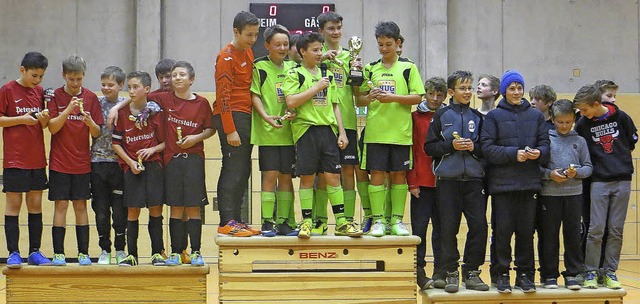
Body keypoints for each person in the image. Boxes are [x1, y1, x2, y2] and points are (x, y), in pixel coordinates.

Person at [282, 31, 362, 238]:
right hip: (306, 130)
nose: (319, 54)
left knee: (333, 176)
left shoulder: (326, 75)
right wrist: (316, 88)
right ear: (302, 52)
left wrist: (342, 132)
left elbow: (335, 105)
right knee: (307, 177)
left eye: (320, 49)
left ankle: (342, 222)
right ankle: (307, 222)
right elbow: (291, 101)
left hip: (328, 130)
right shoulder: (295, 74)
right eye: (315, 50)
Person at [480, 70, 549, 293]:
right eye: (512, 88)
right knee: (502, 231)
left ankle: (525, 275)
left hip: (529, 184)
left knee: (526, 232)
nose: (517, 92)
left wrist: (538, 153)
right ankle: (500, 274)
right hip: (502, 185)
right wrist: (513, 153)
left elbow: (546, 145)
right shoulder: (493, 117)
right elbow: (487, 149)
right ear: (504, 91)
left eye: (520, 87)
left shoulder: (536, 116)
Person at [358, 21, 425, 237]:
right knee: (376, 174)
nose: (384, 48)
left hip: (400, 134)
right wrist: (370, 97)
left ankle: (396, 220)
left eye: (388, 44)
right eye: (380, 45)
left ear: (397, 43)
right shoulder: (369, 69)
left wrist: (392, 98)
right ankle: (378, 220)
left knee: (398, 175)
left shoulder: (408, 68)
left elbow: (417, 97)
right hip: (376, 133)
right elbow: (359, 100)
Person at [424, 71, 488, 293]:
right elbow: (429, 148)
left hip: (474, 181)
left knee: (479, 226)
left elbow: (486, 149)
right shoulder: (441, 116)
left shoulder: (479, 118)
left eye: (470, 88)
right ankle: (450, 271)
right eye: (463, 88)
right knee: (447, 228)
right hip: (448, 182)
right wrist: (451, 146)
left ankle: (472, 272)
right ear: (451, 92)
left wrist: (474, 148)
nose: (467, 92)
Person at [573, 84, 637, 289]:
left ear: (596, 104)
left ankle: (609, 271)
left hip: (622, 180)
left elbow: (631, 141)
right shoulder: (583, 124)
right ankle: (591, 271)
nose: (582, 114)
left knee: (616, 230)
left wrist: (617, 162)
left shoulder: (622, 118)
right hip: (598, 181)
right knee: (596, 229)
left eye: (584, 109)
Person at [48, 55, 104, 266]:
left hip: (82, 163)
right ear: (64, 75)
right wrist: (68, 110)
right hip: (59, 163)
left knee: (80, 206)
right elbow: (52, 127)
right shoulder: (54, 96)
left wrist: (90, 123)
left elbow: (97, 132)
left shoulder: (90, 98)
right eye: (71, 79)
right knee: (60, 205)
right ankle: (59, 253)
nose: (75, 83)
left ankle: (83, 253)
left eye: (79, 79)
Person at [157, 61, 215, 265]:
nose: (177, 78)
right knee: (175, 207)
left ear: (191, 80)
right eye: (174, 75)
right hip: (172, 161)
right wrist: (117, 107)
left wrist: (195, 138)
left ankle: (196, 251)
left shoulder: (201, 104)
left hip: (193, 160)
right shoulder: (163, 99)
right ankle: (175, 252)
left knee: (193, 208)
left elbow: (210, 129)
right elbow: (137, 96)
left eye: (182, 75)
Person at [311, 11, 362, 235]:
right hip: (322, 122)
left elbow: (357, 92)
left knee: (348, 171)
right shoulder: (313, 55)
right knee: (322, 174)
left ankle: (347, 221)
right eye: (331, 28)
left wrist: (358, 71)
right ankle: (319, 221)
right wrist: (322, 57)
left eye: (338, 28)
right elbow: (297, 67)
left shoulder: (350, 55)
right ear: (321, 31)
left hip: (347, 121)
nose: (336, 32)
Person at [0, 51, 52, 268]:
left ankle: (35, 251)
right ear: (22, 70)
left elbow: (44, 124)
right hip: (15, 160)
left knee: (35, 205)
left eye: (41, 76)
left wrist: (44, 119)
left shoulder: (40, 92)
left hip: (37, 159)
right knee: (13, 205)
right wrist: (21, 119)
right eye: (34, 75)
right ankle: (13, 253)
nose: (38, 80)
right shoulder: (7, 90)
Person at [214, 11, 261, 236]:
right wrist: (230, 129)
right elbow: (223, 96)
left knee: (243, 169)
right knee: (232, 168)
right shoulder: (226, 57)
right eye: (249, 35)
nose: (253, 39)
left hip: (246, 114)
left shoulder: (248, 52)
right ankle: (226, 221)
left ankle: (238, 220)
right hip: (231, 114)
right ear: (236, 32)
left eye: (255, 35)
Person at [112, 71, 166, 267]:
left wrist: (152, 149)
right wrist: (130, 162)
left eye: (136, 87)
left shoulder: (156, 113)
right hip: (132, 168)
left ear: (147, 89)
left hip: (153, 167)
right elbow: (116, 144)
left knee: (155, 209)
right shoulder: (122, 114)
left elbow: (166, 143)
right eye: (130, 87)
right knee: (132, 211)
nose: (131, 91)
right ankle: (132, 254)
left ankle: (156, 253)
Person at [537, 99, 592, 290]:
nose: (564, 126)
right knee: (549, 236)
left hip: (574, 195)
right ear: (552, 119)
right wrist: (550, 175)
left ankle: (573, 274)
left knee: (573, 236)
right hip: (549, 196)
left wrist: (577, 172)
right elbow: (538, 168)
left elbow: (588, 167)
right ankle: (549, 275)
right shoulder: (545, 139)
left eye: (568, 122)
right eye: (560, 122)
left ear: (574, 120)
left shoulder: (580, 141)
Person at [250, 24, 298, 236]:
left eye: (285, 44)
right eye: (277, 44)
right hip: (268, 132)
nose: (282, 48)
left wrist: (295, 112)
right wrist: (266, 117)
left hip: (290, 133)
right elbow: (255, 95)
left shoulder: (294, 69)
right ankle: (267, 221)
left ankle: (284, 222)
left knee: (286, 178)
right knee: (270, 176)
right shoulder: (259, 67)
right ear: (267, 45)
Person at [407, 77, 446, 290]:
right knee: (419, 230)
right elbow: (411, 151)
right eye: (431, 94)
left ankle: (440, 271)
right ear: (425, 94)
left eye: (439, 95)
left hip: (444, 184)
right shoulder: (414, 117)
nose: (435, 99)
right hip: (421, 183)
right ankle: (419, 271)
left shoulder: (448, 116)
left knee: (442, 230)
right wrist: (411, 182)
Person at [91, 66, 128, 265]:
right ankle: (105, 249)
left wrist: (117, 107)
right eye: (103, 84)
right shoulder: (96, 102)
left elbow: (142, 98)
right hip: (97, 163)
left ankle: (121, 249)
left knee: (120, 211)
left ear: (121, 86)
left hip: (119, 165)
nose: (106, 88)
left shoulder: (125, 103)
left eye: (110, 85)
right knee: (102, 211)